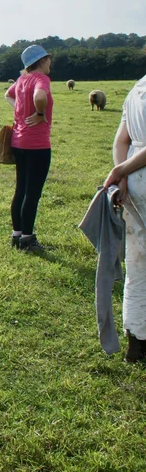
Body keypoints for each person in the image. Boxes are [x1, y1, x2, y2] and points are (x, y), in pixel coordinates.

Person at [103, 75, 146, 361]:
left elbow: (121, 139)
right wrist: (122, 171)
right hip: (137, 169)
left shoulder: (137, 88)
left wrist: (123, 172)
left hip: (135, 182)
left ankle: (136, 340)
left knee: (137, 260)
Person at [4, 44, 53, 252]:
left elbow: (8, 95)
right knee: (32, 194)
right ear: (41, 61)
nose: (50, 62)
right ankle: (27, 240)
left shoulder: (21, 79)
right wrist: (40, 114)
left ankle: (16, 236)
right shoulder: (41, 79)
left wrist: (20, 108)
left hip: (18, 142)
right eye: (49, 58)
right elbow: (40, 97)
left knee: (21, 191)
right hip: (37, 145)